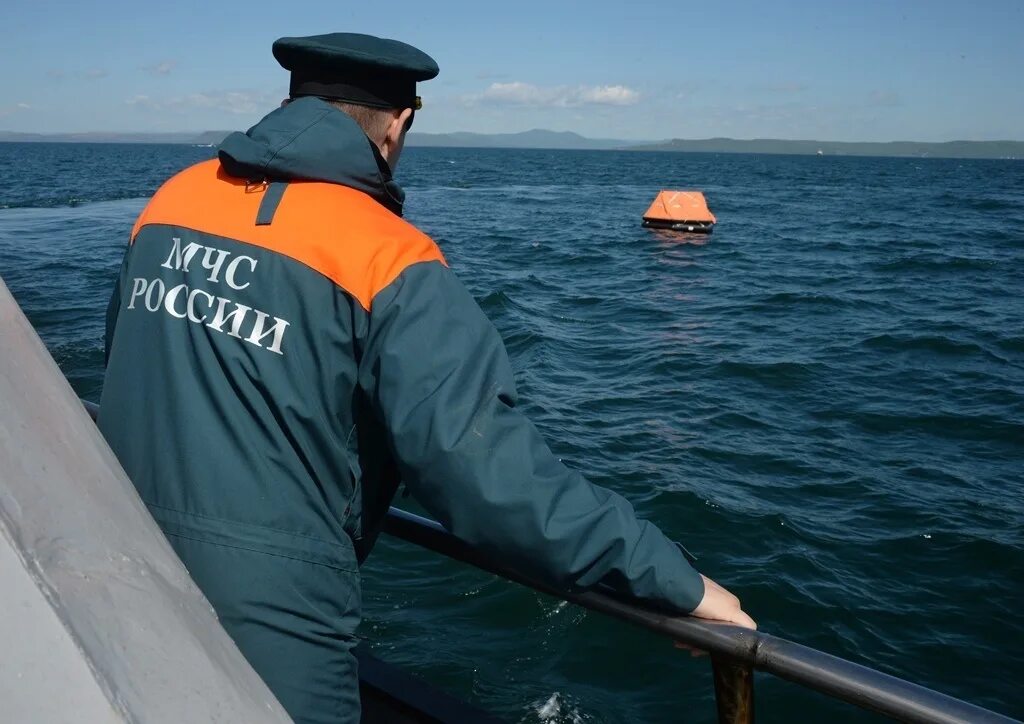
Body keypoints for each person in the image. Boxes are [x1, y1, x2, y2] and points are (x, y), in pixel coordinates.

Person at [98, 32, 754, 724]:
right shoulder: (387, 255)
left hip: (122, 557)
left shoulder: (172, 201)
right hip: (275, 617)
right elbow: (485, 473)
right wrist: (672, 579)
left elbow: (126, 365)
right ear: (399, 126)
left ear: (293, 100)